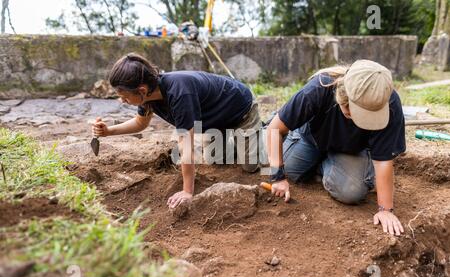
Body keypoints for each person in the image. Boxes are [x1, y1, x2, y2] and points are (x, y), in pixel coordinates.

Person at [92, 53, 262, 209]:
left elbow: (185, 146)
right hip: (215, 122)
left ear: (141, 90)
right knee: (217, 159)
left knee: (250, 166)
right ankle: (239, 141)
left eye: (125, 97)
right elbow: (140, 123)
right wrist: (108, 131)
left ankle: (265, 130)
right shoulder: (148, 96)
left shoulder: (179, 93)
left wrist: (188, 191)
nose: (122, 101)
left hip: (241, 111)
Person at [265, 60, 406, 236]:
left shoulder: (388, 103)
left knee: (351, 192)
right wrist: (277, 176)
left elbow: (383, 159)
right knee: (290, 169)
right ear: (343, 100)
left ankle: (329, 165)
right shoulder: (318, 88)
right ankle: (294, 129)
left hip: (350, 150)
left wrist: (386, 210)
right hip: (312, 139)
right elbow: (274, 130)